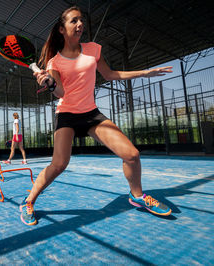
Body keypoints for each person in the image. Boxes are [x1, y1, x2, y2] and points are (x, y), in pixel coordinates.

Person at [20, 6, 173, 225]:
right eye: (74, 21)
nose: (80, 24)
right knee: (59, 164)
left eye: (81, 20)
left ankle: (137, 197)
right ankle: (28, 201)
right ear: (62, 29)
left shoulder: (93, 49)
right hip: (67, 115)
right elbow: (61, 92)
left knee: (132, 155)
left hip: (91, 114)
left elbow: (110, 74)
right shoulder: (54, 62)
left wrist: (145, 73)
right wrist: (50, 82)